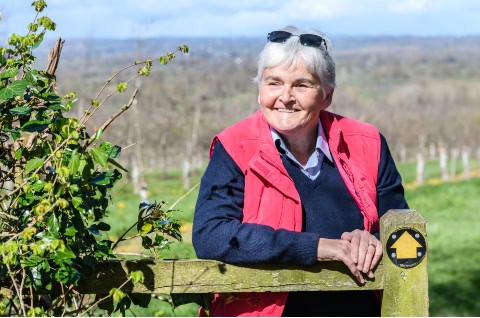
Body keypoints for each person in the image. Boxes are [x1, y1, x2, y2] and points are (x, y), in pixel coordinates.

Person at [192, 25, 408, 317]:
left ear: (327, 95)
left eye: (302, 85)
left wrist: (373, 240)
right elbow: (211, 235)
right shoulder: (235, 147)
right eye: (274, 83)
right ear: (259, 91)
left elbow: (401, 228)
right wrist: (318, 247)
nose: (286, 97)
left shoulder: (367, 143)